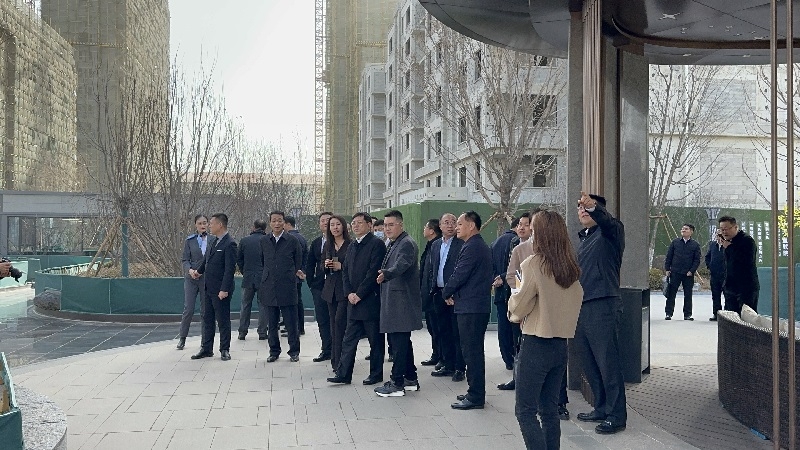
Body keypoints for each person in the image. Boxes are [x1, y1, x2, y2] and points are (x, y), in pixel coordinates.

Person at [509, 210, 583, 450]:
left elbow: (519, 305)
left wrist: (514, 309)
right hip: (560, 345)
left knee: (525, 411)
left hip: (536, 343)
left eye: (533, 229)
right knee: (549, 410)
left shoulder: (533, 264)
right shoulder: (570, 267)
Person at [574, 192, 627, 434]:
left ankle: (616, 415)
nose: (582, 211)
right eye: (580, 208)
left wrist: (594, 208)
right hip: (583, 305)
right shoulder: (584, 239)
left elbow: (607, 221)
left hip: (603, 303)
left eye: (587, 208)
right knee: (589, 361)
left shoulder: (611, 232)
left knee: (607, 362)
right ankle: (602, 407)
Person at [327, 212, 387, 385]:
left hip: (369, 300)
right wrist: (349, 293)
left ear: (369, 225)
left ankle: (376, 374)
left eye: (360, 222)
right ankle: (343, 374)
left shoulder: (376, 244)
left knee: (375, 341)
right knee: (348, 339)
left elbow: (373, 273)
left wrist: (359, 294)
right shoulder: (353, 245)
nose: (355, 226)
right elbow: (345, 271)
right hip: (352, 300)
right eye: (353, 223)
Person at [443, 211, 493, 410]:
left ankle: (476, 396)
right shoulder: (474, 245)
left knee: (472, 352)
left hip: (472, 308)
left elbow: (460, 274)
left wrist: (446, 292)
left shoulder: (473, 247)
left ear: (471, 225)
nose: (456, 227)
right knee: (471, 351)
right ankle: (474, 390)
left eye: (460, 224)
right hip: (472, 306)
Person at [374, 210, 422, 397]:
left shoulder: (406, 243)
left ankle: (397, 383)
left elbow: (402, 265)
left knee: (399, 343)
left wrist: (387, 273)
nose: (387, 229)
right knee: (402, 341)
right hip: (395, 301)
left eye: (391, 225)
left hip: (401, 302)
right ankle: (410, 378)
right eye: (385, 225)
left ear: (401, 225)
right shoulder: (395, 242)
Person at [191, 213, 237, 362]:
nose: (209, 226)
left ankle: (224, 349)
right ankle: (206, 348)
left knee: (223, 320)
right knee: (207, 319)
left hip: (220, 290)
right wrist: (198, 272)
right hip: (208, 287)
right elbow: (206, 260)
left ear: (220, 225)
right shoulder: (213, 241)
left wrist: (224, 289)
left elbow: (229, 269)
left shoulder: (230, 243)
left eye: (211, 223)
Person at [260, 211, 305, 363]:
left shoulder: (292, 240)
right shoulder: (264, 240)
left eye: (280, 220)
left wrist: (290, 273)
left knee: (291, 322)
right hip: (269, 286)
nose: (277, 223)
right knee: (272, 324)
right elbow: (262, 261)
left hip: (287, 285)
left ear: (284, 223)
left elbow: (298, 260)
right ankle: (274, 351)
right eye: (274, 221)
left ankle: (294, 351)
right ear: (270, 223)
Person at [429, 213, 465, 381]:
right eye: (446, 222)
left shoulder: (461, 244)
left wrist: (452, 292)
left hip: (454, 295)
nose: (450, 225)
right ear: (440, 226)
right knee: (442, 331)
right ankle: (447, 364)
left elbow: (460, 272)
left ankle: (459, 367)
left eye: (453, 222)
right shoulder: (436, 245)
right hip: (439, 293)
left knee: (456, 332)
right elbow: (433, 269)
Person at [322, 215, 351, 371]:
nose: (335, 227)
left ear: (343, 226)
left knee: (340, 324)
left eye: (338, 224)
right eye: (332, 225)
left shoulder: (351, 245)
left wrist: (342, 266)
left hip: (345, 290)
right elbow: (322, 267)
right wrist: (326, 265)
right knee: (333, 326)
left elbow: (355, 267)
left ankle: (341, 361)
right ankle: (335, 360)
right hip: (330, 290)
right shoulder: (328, 245)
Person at [491, 216, 519, 370]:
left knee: (503, 327)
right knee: (514, 328)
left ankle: (507, 359)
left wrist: (496, 278)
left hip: (499, 291)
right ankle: (515, 358)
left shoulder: (496, 242)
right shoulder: (517, 242)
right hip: (512, 291)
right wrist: (503, 277)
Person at [178, 214, 209, 350]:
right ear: (195, 225)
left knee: (205, 311)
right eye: (200, 223)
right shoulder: (189, 240)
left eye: (205, 223)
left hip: (206, 279)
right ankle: (182, 338)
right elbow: (185, 259)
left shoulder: (213, 240)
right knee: (189, 309)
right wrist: (190, 270)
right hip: (192, 278)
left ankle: (205, 340)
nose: (202, 226)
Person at [306, 212, 333, 362]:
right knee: (322, 319)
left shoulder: (340, 241)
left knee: (335, 319)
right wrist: (311, 282)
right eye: (322, 221)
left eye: (328, 220)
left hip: (335, 286)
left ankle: (338, 349)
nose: (325, 223)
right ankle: (326, 349)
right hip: (319, 286)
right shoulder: (316, 242)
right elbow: (310, 263)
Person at [717, 216, 759, 313]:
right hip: (730, 287)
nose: (724, 232)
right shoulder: (727, 242)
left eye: (726, 229)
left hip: (746, 287)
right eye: (722, 230)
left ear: (736, 227)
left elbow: (746, 261)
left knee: (747, 316)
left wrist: (729, 248)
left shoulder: (747, 241)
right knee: (731, 317)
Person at [236, 219, 268, 340]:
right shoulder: (267, 240)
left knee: (245, 305)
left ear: (253, 227)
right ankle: (262, 332)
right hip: (263, 278)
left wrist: (244, 271)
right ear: (265, 228)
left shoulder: (244, 241)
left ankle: (242, 332)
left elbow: (239, 259)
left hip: (248, 277)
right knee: (263, 305)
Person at [663, 224, 701, 321]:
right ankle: (668, 313)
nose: (683, 230)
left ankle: (687, 315)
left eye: (686, 229)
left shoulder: (695, 245)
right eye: (682, 229)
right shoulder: (675, 242)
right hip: (675, 272)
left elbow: (697, 260)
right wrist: (667, 269)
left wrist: (691, 271)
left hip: (688, 274)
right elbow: (669, 256)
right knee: (671, 294)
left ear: (691, 231)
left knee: (688, 294)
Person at [420, 218, 442, 367]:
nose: (424, 229)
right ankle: (436, 354)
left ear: (432, 231)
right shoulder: (430, 246)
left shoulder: (438, 246)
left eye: (425, 227)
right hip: (427, 294)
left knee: (438, 328)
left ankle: (441, 357)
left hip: (434, 294)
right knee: (432, 327)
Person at [285, 216, 308, 336]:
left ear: (288, 224)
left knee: (294, 303)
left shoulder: (291, 238)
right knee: (298, 301)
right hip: (299, 274)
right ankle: (298, 327)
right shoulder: (302, 237)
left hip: (292, 275)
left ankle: (296, 328)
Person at [705, 235, 726, 321]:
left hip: (726, 275)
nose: (719, 237)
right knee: (715, 295)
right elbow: (707, 257)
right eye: (717, 235)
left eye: (721, 235)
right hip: (714, 275)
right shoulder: (713, 245)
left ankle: (726, 315)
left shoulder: (728, 245)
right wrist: (710, 266)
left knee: (727, 295)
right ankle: (716, 314)